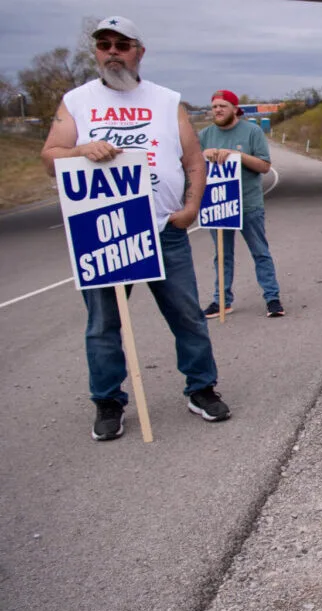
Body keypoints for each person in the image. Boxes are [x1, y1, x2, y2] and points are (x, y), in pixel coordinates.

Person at [41, 16, 231, 441]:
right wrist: (80, 149)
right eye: (104, 44)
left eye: (122, 44)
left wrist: (191, 209)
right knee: (104, 323)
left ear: (138, 51)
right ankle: (108, 401)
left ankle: (201, 389)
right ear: (96, 52)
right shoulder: (76, 101)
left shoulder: (167, 101)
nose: (112, 51)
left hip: (163, 227)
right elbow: (50, 154)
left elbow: (193, 160)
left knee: (186, 314)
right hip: (104, 230)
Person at [198, 89, 284, 318]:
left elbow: (265, 166)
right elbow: (192, 167)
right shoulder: (205, 135)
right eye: (214, 106)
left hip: (248, 204)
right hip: (218, 205)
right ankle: (222, 300)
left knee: (260, 252)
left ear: (235, 109)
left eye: (223, 106)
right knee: (222, 255)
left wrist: (236, 156)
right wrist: (202, 155)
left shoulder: (252, 132)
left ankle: (272, 298)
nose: (217, 110)